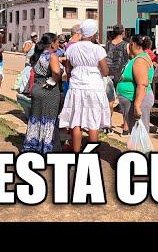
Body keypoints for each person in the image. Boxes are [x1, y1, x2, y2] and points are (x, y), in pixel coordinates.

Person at [58, 19, 110, 152]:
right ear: (93, 34)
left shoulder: (72, 48)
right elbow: (105, 72)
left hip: (76, 87)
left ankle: (76, 155)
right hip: (94, 87)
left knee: (76, 122)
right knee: (93, 123)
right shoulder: (98, 49)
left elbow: (68, 70)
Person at [22, 32, 63, 154]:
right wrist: (54, 80)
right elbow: (56, 71)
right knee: (49, 119)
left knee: (36, 117)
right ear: (52, 44)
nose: (58, 45)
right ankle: (47, 147)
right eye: (56, 42)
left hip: (37, 88)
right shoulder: (52, 56)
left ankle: (32, 144)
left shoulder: (37, 54)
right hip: (49, 90)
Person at [116, 35, 155, 137]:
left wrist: (137, 106)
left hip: (138, 101)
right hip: (131, 99)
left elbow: (142, 84)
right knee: (136, 133)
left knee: (140, 133)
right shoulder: (137, 58)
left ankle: (141, 152)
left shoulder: (140, 60)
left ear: (132, 44)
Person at [106, 25, 130, 133]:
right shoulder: (126, 45)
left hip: (108, 75)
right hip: (122, 76)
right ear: (123, 33)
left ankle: (108, 126)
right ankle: (125, 129)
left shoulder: (107, 45)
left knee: (109, 102)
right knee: (124, 102)